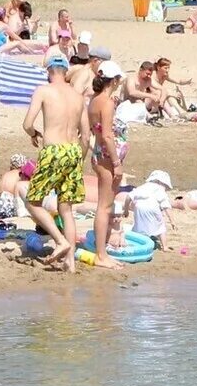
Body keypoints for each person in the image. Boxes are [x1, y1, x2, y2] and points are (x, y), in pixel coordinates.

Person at [21, 53, 86, 270]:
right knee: (66, 208)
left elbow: (27, 123)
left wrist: (34, 134)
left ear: (48, 71)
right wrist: (80, 158)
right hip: (74, 150)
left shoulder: (44, 90)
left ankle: (60, 241)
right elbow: (85, 135)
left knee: (32, 200)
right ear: (66, 71)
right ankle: (71, 263)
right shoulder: (78, 95)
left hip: (54, 150)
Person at [86, 60, 124, 271]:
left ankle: (102, 250)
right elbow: (108, 135)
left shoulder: (94, 101)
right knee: (105, 206)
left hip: (98, 154)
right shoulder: (107, 102)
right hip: (106, 156)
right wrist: (117, 163)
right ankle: (101, 254)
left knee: (104, 205)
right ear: (114, 80)